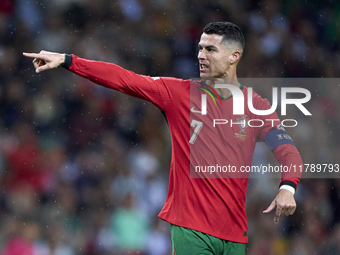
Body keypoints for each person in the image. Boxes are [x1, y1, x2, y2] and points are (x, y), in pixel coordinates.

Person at [23, 21, 302, 255]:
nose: (201, 56)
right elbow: (124, 78)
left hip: (235, 234)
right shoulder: (178, 93)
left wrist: (287, 187)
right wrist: (68, 61)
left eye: (210, 49)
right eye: (199, 48)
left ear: (234, 56)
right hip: (192, 228)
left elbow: (287, 150)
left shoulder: (257, 106)